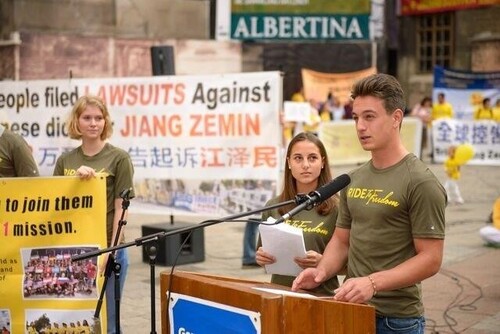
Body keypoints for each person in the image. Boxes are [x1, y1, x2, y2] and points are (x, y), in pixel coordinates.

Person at [292, 73, 447, 334]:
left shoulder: (420, 181)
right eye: (356, 118)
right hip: (351, 310)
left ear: (396, 118)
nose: (360, 126)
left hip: (396, 321)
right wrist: (321, 272)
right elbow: (341, 241)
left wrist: (373, 283)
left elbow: (431, 259)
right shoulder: (353, 178)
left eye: (369, 117)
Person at [53, 95, 135, 334]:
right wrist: (74, 181)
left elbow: (122, 208)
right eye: (87, 117)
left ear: (105, 121)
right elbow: (56, 205)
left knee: (110, 323)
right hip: (74, 249)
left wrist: (112, 251)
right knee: (77, 321)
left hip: (109, 248)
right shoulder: (65, 161)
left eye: (99, 118)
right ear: (76, 122)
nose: (93, 123)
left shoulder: (119, 158)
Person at [255, 132, 340, 295]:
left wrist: (324, 262)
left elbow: (350, 265)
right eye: (298, 158)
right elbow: (262, 255)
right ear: (288, 163)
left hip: (322, 298)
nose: (305, 165)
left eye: (312, 158)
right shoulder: (273, 206)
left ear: (322, 162)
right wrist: (261, 258)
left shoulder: (339, 207)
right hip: (280, 295)